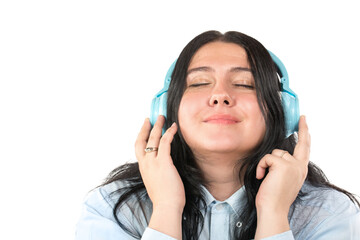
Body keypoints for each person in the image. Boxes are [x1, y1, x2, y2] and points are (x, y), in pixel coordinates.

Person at [75, 31, 360, 240]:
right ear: (166, 109)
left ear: (282, 111)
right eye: (199, 82)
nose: (220, 95)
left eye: (244, 84)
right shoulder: (111, 209)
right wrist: (166, 208)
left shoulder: (328, 213)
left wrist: (273, 214)